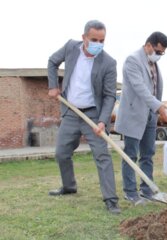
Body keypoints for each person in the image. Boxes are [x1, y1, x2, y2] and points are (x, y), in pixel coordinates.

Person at [47, 20, 120, 214]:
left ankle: (111, 199)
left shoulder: (108, 62)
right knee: (61, 153)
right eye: (94, 39)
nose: (98, 43)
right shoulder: (71, 47)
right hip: (71, 112)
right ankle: (69, 187)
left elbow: (109, 95)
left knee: (102, 155)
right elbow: (52, 61)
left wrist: (103, 121)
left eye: (102, 40)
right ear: (84, 38)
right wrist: (53, 86)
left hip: (93, 115)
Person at [114, 31, 167, 205]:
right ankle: (130, 192)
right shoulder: (132, 60)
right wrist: (158, 106)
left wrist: (155, 108)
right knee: (131, 154)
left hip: (150, 116)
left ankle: (146, 190)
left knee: (148, 154)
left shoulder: (153, 64)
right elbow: (140, 88)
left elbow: (154, 88)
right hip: (134, 115)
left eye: (162, 53)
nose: (159, 55)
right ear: (148, 45)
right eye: (158, 51)